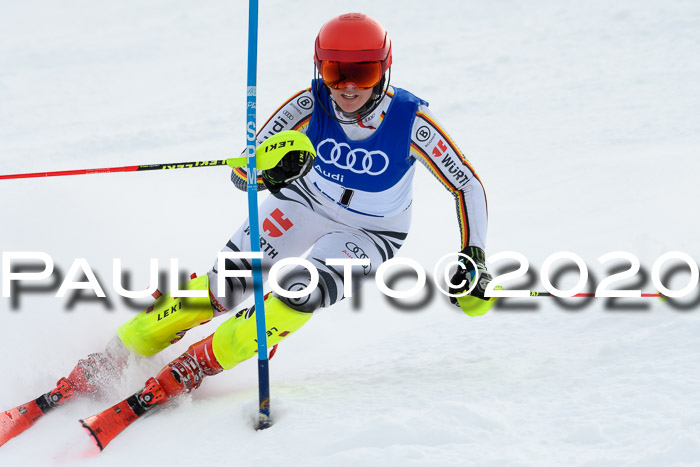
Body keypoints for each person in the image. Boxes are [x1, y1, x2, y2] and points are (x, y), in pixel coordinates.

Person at [1, 12, 492, 444]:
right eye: (333, 70)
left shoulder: (411, 121)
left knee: (298, 294)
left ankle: (198, 364)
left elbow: (466, 184)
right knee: (224, 286)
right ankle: (117, 352)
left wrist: (474, 255)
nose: (347, 86)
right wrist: (267, 172)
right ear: (319, 68)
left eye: (362, 71)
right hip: (304, 203)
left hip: (369, 233)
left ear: (384, 69)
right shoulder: (307, 105)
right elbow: (242, 168)